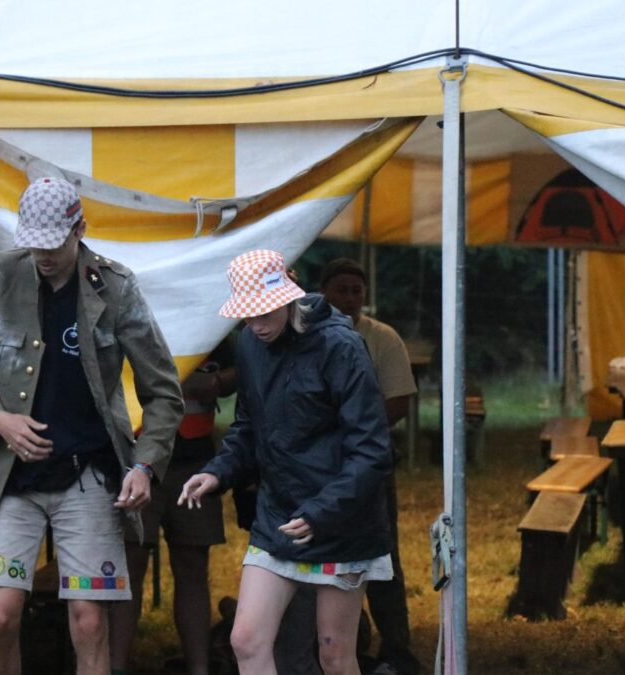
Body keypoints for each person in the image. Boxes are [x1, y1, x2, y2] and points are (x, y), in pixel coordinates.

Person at [0, 176, 183, 675]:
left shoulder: (116, 287)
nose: (43, 255)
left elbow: (164, 392)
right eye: (34, 243)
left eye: (53, 244)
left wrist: (144, 466)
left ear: (80, 229)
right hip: (15, 477)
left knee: (89, 620)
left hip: (89, 474)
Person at [179, 249, 393, 675]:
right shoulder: (250, 344)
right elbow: (248, 427)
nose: (256, 324)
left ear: (289, 297)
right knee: (245, 640)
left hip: (342, 522)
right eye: (247, 316)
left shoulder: (341, 346)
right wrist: (216, 472)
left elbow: (372, 450)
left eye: (264, 313)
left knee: (334, 655)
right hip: (277, 514)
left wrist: (321, 512)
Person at [109, 337, 237, 675]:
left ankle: (199, 667)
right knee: (129, 568)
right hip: (136, 460)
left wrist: (219, 381)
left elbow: (243, 364)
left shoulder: (211, 326)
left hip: (194, 461)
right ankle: (115, 667)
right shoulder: (133, 317)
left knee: (193, 568)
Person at [318, 257, 421, 675]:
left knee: (382, 555)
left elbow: (399, 399)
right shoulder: (308, 334)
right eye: (340, 290)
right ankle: (348, 644)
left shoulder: (382, 338)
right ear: (323, 292)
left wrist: (356, 428)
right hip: (319, 467)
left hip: (371, 464)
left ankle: (397, 647)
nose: (349, 298)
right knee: (329, 558)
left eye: (355, 291)